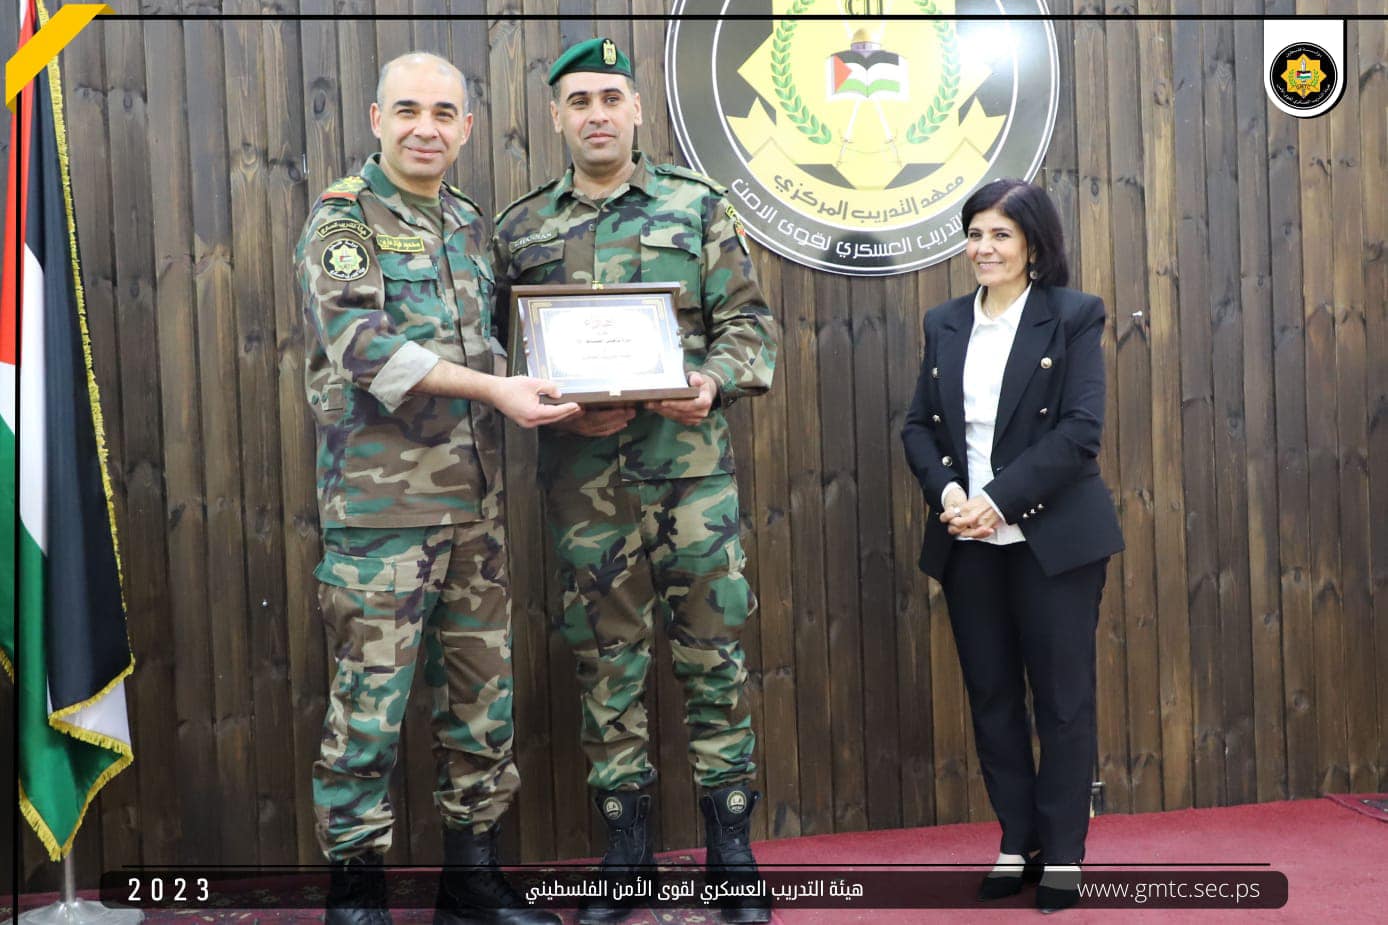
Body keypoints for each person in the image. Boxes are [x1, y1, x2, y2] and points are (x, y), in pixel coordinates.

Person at [491, 37, 779, 925]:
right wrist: (553, 406)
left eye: (611, 97)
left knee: (714, 658)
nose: (597, 115)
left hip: (691, 481)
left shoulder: (698, 205)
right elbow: (498, 355)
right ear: (556, 116)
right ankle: (627, 857)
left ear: (638, 109)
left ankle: (731, 852)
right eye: (579, 101)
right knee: (605, 665)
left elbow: (750, 325)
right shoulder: (520, 229)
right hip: (585, 490)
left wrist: (712, 381)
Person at [297, 51, 578, 925]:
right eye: (409, 110)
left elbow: (500, 341)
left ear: (466, 128)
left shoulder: (465, 221)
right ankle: (356, 896)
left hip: (474, 507)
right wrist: (497, 389)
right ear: (377, 120)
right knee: (367, 711)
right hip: (381, 513)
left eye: (443, 113)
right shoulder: (344, 220)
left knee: (481, 702)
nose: (426, 128)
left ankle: (471, 882)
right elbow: (363, 348)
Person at [901, 178, 1124, 913]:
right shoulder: (944, 322)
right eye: (974, 234)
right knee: (992, 696)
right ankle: (1016, 841)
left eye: (1000, 234)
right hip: (967, 542)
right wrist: (949, 494)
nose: (984, 248)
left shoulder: (1074, 315)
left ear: (1033, 243)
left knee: (1061, 700)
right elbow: (919, 426)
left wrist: (996, 499)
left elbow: (1080, 432)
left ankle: (1061, 853)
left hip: (1052, 540)